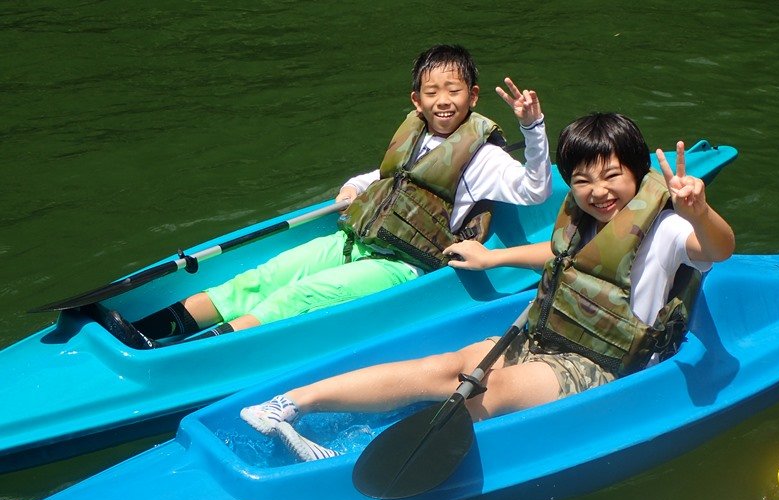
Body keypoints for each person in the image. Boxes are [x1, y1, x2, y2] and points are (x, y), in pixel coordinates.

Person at [240, 112, 736, 461]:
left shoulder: (670, 230)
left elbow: (718, 250)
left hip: (600, 365)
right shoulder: (585, 218)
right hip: (542, 336)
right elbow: (562, 258)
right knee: (448, 366)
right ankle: (289, 404)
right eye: (582, 180)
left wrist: (700, 211)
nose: (597, 191)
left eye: (611, 176)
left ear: (636, 173)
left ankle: (354, 463)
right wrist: (493, 256)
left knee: (488, 388)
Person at [100, 44, 552, 349]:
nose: (443, 101)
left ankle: (189, 356)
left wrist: (531, 128)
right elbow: (392, 175)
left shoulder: (485, 158)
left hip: (402, 265)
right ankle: (146, 332)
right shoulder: (418, 134)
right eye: (432, 92)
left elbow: (535, 190)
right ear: (417, 100)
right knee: (257, 279)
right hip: (354, 240)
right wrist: (358, 184)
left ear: (472, 96)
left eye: (453, 91)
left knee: (293, 299)